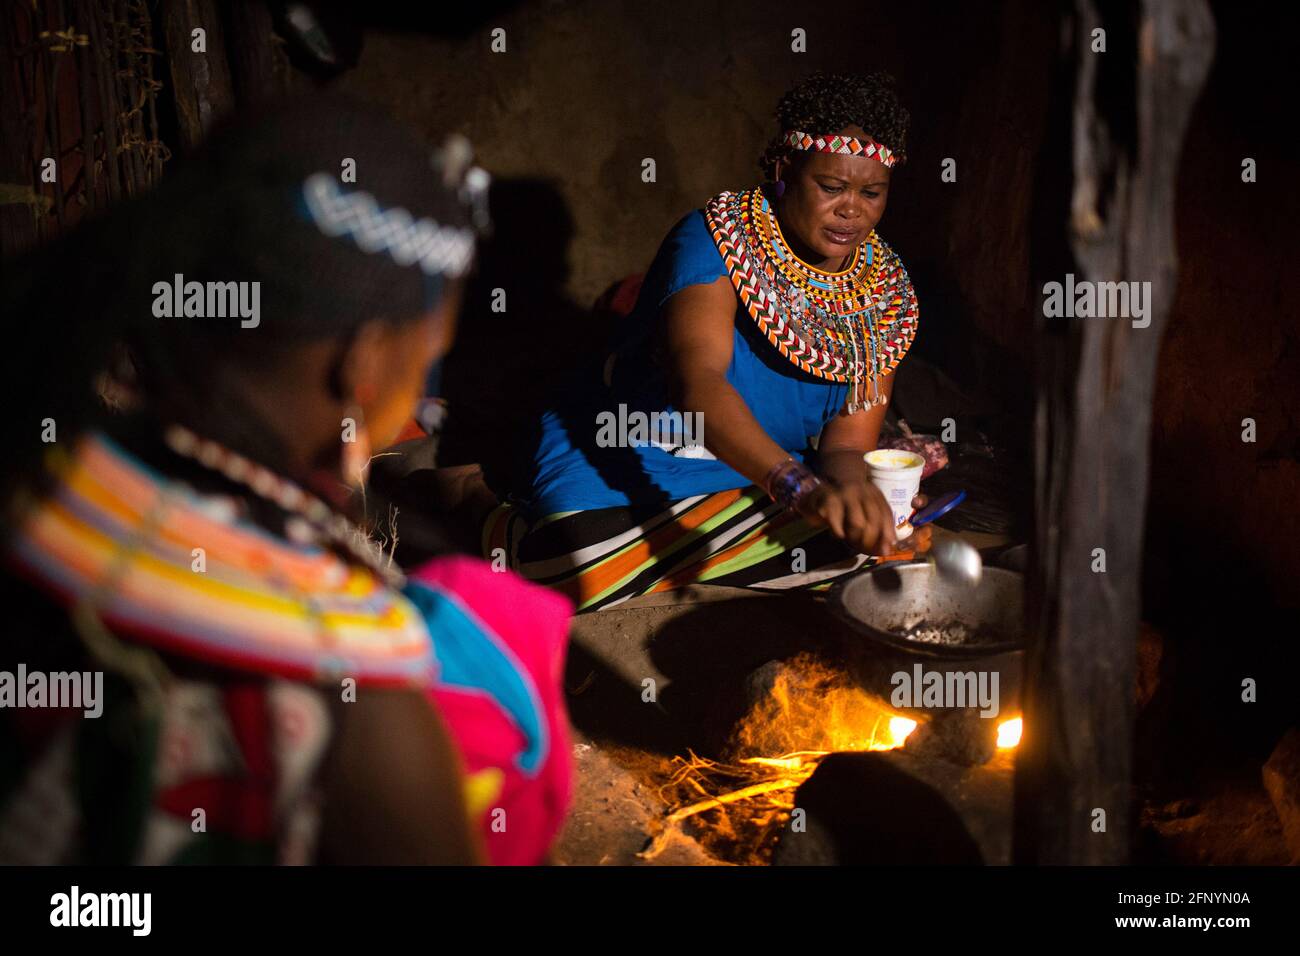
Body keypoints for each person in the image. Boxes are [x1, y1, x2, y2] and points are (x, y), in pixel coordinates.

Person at [0, 97, 571, 865]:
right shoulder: (361, 705)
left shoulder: (48, 461)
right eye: (425, 354)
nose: (424, 390)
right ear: (362, 362)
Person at [483, 72, 930, 612]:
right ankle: (480, 499)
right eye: (831, 187)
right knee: (567, 563)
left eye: (871, 192)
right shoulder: (714, 239)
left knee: (878, 555)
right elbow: (698, 384)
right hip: (639, 454)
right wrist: (801, 489)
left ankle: (665, 555)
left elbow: (843, 447)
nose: (851, 210)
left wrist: (855, 499)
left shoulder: (883, 295)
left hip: (749, 478)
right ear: (786, 172)